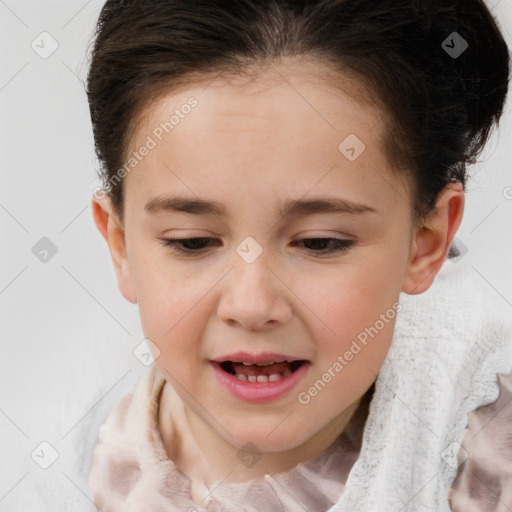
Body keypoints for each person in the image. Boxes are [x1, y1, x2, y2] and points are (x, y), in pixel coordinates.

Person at [85, 0, 512, 510]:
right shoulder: (82, 458)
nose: (251, 304)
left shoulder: (485, 463)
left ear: (426, 241)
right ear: (121, 244)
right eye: (191, 242)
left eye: (320, 242)